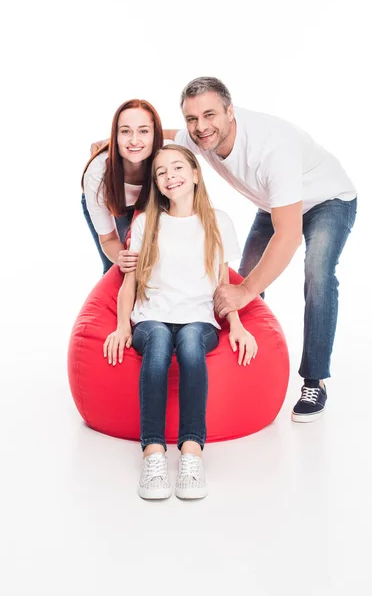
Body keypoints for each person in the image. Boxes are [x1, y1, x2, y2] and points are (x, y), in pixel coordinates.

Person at [152, 77, 356, 423]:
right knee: (246, 277)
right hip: (276, 201)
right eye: (192, 119)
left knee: (315, 274)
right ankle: (253, 357)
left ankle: (314, 379)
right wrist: (112, 144)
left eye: (210, 115)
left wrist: (246, 291)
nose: (201, 127)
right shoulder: (199, 136)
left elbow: (288, 236)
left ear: (231, 112)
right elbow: (168, 138)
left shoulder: (271, 148)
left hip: (327, 200)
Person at [103, 144, 258, 500]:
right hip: (151, 318)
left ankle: (191, 453)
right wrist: (122, 325)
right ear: (156, 183)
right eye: (161, 172)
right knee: (158, 343)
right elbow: (131, 283)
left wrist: (236, 324)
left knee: (190, 346)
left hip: (199, 320)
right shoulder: (146, 223)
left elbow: (224, 284)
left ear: (195, 174)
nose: (170, 176)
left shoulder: (219, 222)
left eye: (177, 168)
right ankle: (153, 454)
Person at [81, 99, 164, 274]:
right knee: (118, 268)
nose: (134, 140)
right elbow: (108, 239)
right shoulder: (97, 175)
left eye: (143, 131)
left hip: (146, 204)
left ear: (155, 134)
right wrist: (121, 258)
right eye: (126, 131)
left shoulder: (168, 159)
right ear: (115, 136)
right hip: (112, 202)